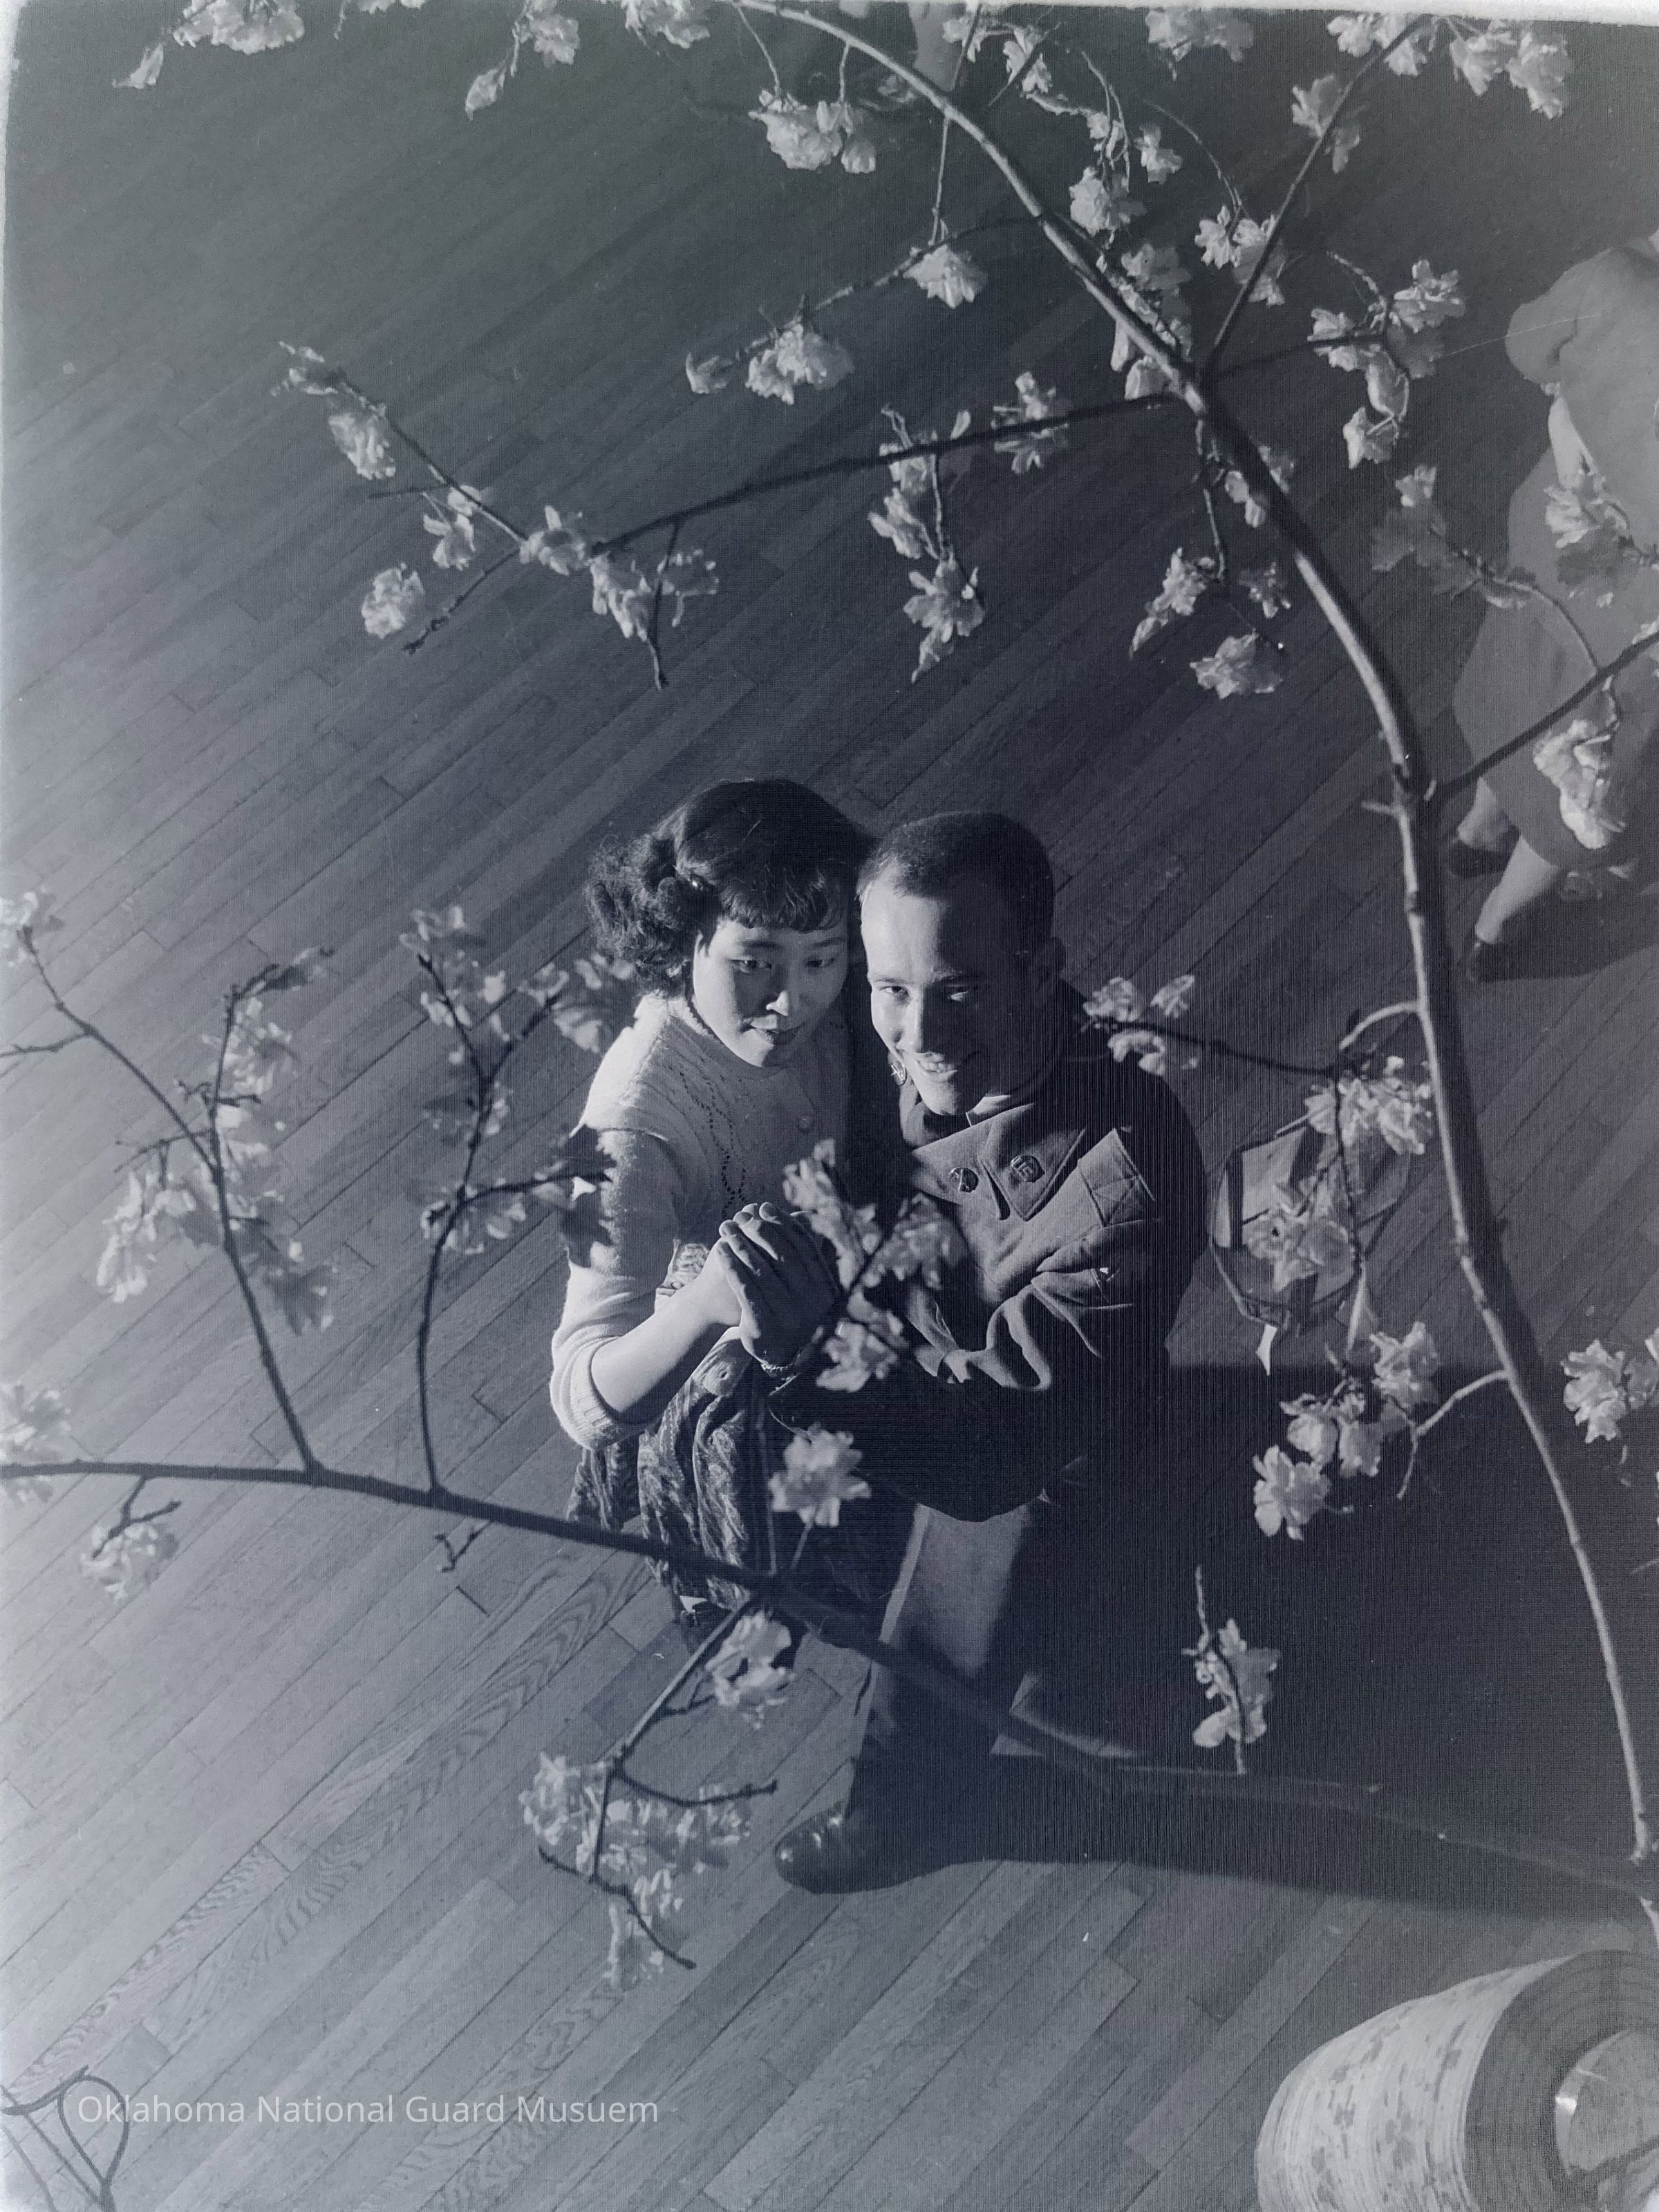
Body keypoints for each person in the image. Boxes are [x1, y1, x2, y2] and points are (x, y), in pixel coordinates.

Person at [713, 812, 1209, 1891]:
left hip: (1028, 1439)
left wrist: (808, 1356)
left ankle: (896, 1814)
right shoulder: (898, 1021)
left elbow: (993, 1456)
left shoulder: (1127, 1188)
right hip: (915, 1336)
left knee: (945, 1628)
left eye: (961, 990)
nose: (919, 1031)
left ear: (1042, 970)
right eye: (892, 989)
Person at [550, 780, 906, 1647]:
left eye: (821, 960)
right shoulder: (631, 1126)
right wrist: (708, 1301)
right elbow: (580, 1395)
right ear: (685, 943)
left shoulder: (824, 991)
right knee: (779, 1575)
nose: (791, 1002)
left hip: (849, 1286)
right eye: (754, 962)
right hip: (733, 1373)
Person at [1448, 231, 1659, 982]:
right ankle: (1496, 925)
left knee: (1518, 697)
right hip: (1632, 631)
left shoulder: (1622, 275)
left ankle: (1475, 831)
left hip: (1556, 551)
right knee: (1573, 780)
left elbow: (1526, 345)